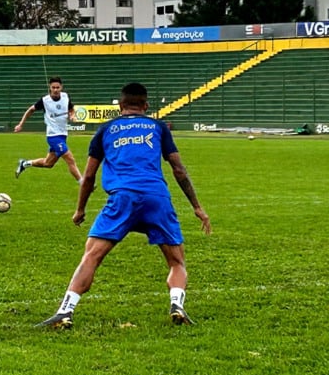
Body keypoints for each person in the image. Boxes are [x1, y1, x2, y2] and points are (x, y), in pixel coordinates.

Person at [38, 82, 211, 330]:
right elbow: (178, 169)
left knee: (92, 255)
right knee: (176, 260)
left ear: (120, 106)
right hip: (156, 198)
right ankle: (177, 304)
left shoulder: (106, 130)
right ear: (146, 105)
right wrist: (196, 206)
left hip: (123, 198)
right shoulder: (158, 127)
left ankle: (65, 311)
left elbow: (88, 177)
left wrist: (80, 209)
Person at [14, 76, 82, 183]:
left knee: (48, 163)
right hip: (53, 136)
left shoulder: (65, 97)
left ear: (61, 87)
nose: (55, 90)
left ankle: (25, 163)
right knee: (70, 159)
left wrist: (72, 116)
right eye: (53, 87)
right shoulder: (45, 100)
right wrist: (21, 124)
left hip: (63, 135)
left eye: (57, 87)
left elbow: (71, 109)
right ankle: (83, 183)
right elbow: (30, 110)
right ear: (49, 87)